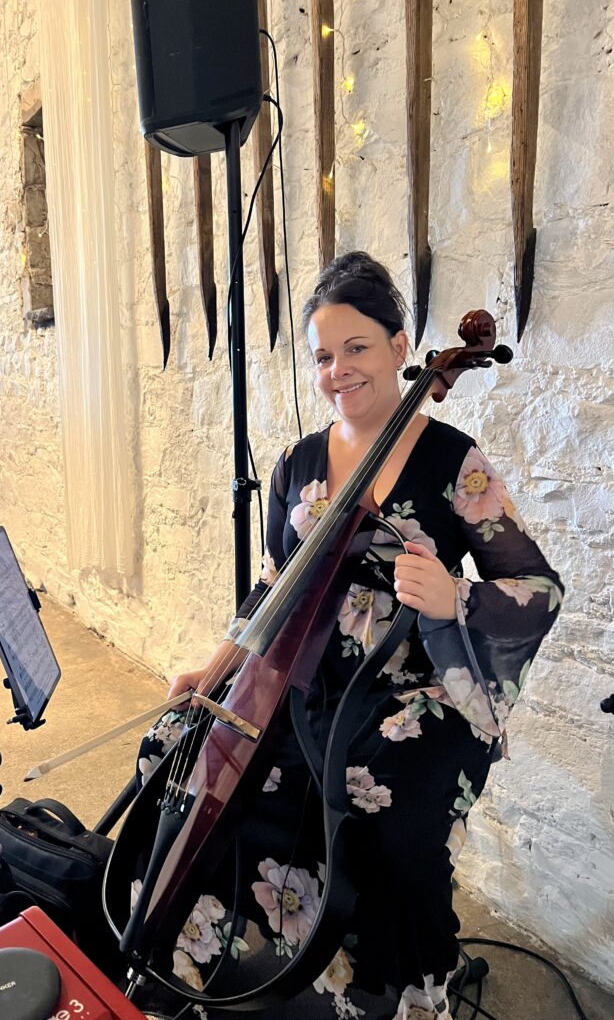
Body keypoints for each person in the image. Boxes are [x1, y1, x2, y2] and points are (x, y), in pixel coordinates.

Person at [132, 253, 563, 1020]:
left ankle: (394, 994)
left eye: (357, 348)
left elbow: (537, 590)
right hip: (300, 681)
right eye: (323, 356)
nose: (339, 371)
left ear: (402, 348)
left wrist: (453, 593)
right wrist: (213, 668)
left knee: (388, 824)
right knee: (197, 764)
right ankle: (240, 964)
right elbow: (274, 585)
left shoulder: (452, 460)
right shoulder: (298, 463)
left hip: (415, 689)